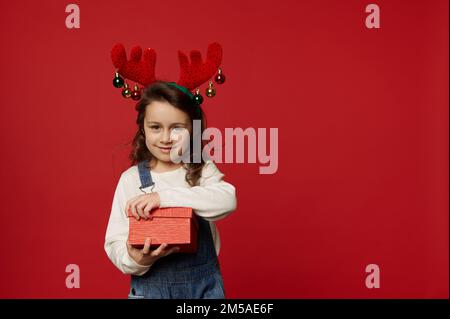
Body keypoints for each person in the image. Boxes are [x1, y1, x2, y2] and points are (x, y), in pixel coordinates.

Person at [104, 79, 237, 299]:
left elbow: (227, 199)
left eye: (177, 128)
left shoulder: (200, 170)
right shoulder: (131, 180)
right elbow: (115, 242)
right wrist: (137, 260)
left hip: (203, 290)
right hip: (149, 290)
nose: (166, 138)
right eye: (155, 127)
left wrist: (162, 198)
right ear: (143, 128)